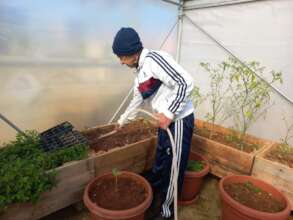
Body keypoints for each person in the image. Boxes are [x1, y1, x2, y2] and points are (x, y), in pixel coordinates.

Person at [112, 27, 194, 220]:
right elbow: (138, 98)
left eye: (122, 57)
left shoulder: (155, 60)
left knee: (173, 168)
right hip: (164, 123)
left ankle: (166, 212)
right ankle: (155, 195)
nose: (121, 62)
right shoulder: (140, 70)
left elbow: (185, 82)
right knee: (161, 161)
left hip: (179, 121)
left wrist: (169, 113)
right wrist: (123, 121)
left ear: (132, 53)